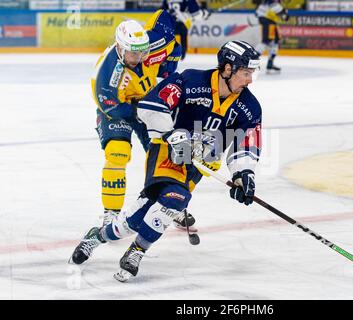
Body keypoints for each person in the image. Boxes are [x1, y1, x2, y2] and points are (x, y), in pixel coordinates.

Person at [70, 40, 263, 282]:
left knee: (139, 217)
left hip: (199, 164)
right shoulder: (191, 81)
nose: (250, 80)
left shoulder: (250, 107)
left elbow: (245, 142)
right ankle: (133, 249)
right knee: (174, 199)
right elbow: (151, 105)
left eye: (251, 73)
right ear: (227, 69)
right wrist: (172, 133)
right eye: (245, 73)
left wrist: (243, 174)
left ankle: (103, 238)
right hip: (168, 151)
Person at [92, 10, 191, 227]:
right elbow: (111, 106)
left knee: (165, 155)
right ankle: (111, 212)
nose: (139, 58)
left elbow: (169, 34)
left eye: (142, 52)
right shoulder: (107, 74)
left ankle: (170, 205)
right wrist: (140, 110)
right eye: (132, 53)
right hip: (119, 109)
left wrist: (167, 71)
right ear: (119, 48)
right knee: (117, 152)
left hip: (146, 104)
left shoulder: (149, 47)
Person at [254, 0, 289, 73]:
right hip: (267, 21)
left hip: (270, 22)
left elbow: (257, 13)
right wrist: (284, 12)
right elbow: (279, 12)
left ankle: (270, 64)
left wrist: (284, 14)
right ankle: (251, 60)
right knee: (266, 41)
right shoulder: (273, 2)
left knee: (275, 41)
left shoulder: (273, 3)